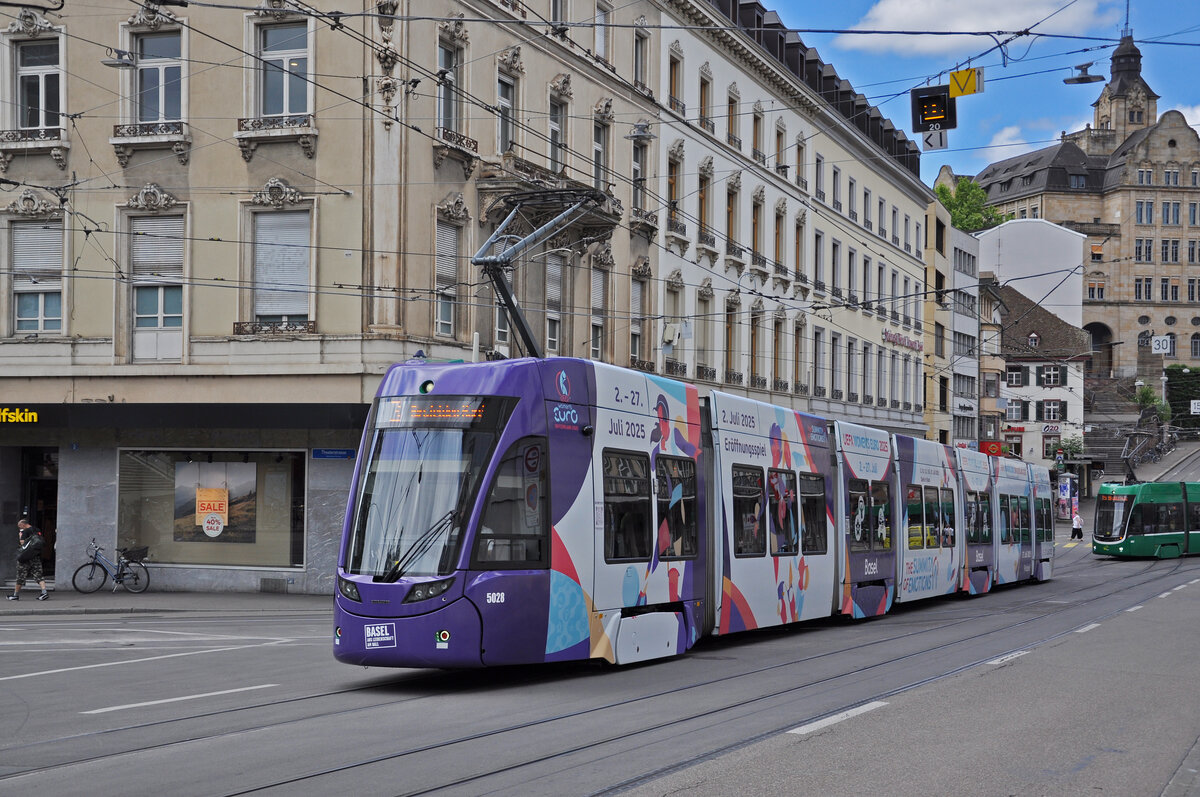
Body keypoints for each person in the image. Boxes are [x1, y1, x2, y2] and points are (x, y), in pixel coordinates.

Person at [9, 518, 49, 601]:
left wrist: (20, 536)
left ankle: (15, 595)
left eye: (19, 526)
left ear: (23, 524)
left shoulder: (25, 531)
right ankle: (44, 592)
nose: (19, 528)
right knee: (38, 575)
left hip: (25, 557)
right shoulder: (37, 530)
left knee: (20, 576)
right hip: (35, 556)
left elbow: (22, 543)